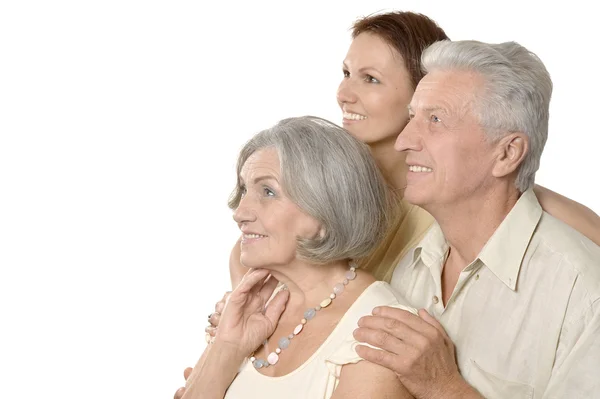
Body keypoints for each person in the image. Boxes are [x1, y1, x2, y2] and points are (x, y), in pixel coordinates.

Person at [352, 39, 600, 398]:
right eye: (412, 117)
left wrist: (444, 387)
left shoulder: (584, 294)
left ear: (507, 153)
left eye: (435, 119)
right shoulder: (415, 263)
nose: (404, 140)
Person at [181, 116, 416, 398]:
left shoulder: (379, 334)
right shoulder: (251, 309)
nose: (240, 212)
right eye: (245, 189)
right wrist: (227, 346)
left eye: (267, 192)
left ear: (326, 211)